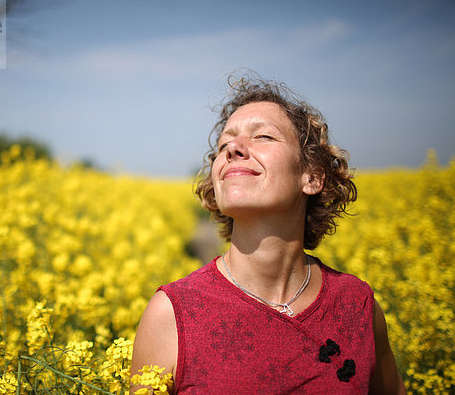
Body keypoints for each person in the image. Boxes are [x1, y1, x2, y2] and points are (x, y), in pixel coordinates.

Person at [130, 74, 406, 394]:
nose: (233, 147)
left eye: (262, 136)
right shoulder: (171, 315)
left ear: (312, 177)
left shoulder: (358, 306)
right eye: (224, 144)